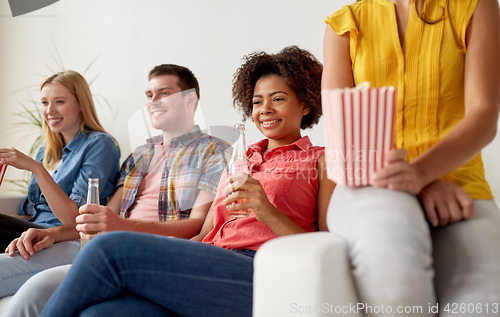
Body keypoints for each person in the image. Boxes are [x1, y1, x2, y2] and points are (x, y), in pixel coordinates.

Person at [37, 46, 335, 317]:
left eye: (278, 99)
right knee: (103, 314)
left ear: (305, 105)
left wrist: (267, 211)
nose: (265, 109)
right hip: (212, 261)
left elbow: (327, 247)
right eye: (257, 101)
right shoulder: (240, 161)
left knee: (107, 250)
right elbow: (206, 232)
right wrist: (170, 253)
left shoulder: (320, 160)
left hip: (259, 269)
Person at [322, 0, 500, 316]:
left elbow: (484, 115)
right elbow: (343, 141)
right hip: (366, 185)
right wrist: (418, 183)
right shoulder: (342, 27)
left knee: (483, 304)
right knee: (394, 254)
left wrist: (420, 173)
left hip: (462, 190)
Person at [0, 64, 229, 302]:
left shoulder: (215, 151)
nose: (153, 101)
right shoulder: (141, 153)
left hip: (139, 250)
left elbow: (198, 224)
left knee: (36, 290)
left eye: (164, 93)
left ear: (189, 99)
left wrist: (121, 225)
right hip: (100, 243)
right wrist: (55, 233)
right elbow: (104, 218)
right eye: (149, 95)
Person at [0, 70, 120, 248]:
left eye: (60, 102)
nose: (49, 111)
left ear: (81, 104)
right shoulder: (45, 151)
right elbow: (30, 209)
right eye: (44, 102)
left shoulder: (100, 144)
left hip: (63, 237)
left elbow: (75, 219)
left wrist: (37, 169)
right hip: (35, 230)